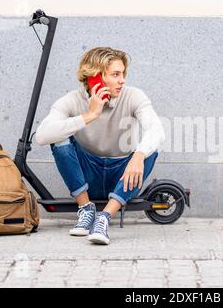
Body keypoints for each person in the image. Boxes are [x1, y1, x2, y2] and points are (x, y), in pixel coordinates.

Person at [35, 47, 165, 245]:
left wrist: (138, 155)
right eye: (115, 74)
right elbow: (42, 135)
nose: (122, 80)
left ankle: (104, 218)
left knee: (150, 149)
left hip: (122, 176)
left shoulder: (134, 96)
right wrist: (90, 115)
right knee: (59, 138)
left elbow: (157, 130)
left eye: (123, 74)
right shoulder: (71, 100)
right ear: (94, 77)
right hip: (88, 175)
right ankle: (86, 209)